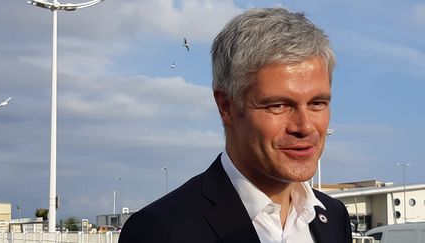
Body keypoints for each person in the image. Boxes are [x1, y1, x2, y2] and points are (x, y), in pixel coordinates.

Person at [119, 7, 352, 243]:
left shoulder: (333, 217)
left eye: (317, 103)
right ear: (226, 106)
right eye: (278, 105)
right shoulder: (160, 230)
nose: (305, 126)